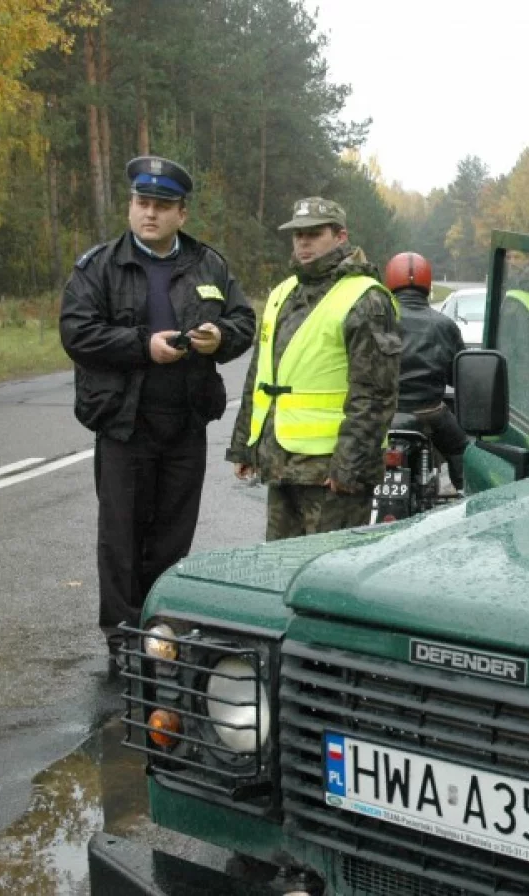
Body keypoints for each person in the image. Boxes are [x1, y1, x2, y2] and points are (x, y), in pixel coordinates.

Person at [60, 155, 255, 659]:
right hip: (125, 423)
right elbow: (77, 332)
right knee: (121, 538)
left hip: (186, 422)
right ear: (131, 206)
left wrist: (220, 338)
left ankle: (161, 631)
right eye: (142, 203)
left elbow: (243, 322)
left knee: (172, 534)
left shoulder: (209, 264)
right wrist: (142, 346)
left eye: (162, 206)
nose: (150, 213)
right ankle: (124, 643)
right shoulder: (99, 266)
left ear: (181, 214)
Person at [227, 197, 401, 539]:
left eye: (314, 233)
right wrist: (245, 445)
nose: (303, 242)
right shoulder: (283, 292)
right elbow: (260, 375)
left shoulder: (365, 299)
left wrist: (349, 467)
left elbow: (375, 394)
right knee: (280, 572)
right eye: (297, 235)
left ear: (340, 236)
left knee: (328, 578)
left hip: (331, 473)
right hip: (282, 463)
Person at [383, 251, 468, 490]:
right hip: (429, 412)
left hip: (382, 413)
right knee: (462, 449)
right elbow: (458, 376)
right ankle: (467, 498)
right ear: (428, 285)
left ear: (389, 282)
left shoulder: (377, 319)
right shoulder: (445, 325)